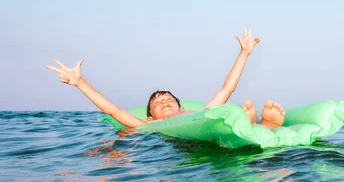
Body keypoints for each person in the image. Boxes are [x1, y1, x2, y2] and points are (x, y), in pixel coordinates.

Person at [46, 28, 286, 129]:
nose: (163, 101)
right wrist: (79, 82)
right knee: (226, 126)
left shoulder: (200, 112)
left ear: (180, 105)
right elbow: (113, 111)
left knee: (223, 112)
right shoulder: (149, 125)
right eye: (157, 103)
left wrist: (244, 53)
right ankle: (252, 123)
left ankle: (262, 124)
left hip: (206, 124)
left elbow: (227, 88)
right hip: (189, 141)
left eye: (167, 98)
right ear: (151, 115)